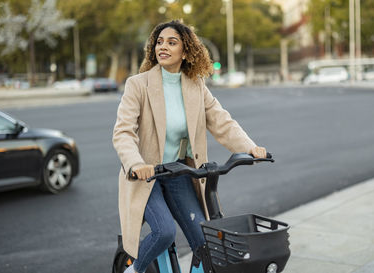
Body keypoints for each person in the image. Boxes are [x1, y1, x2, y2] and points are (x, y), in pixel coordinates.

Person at [112, 20, 267, 273]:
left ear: (185, 52)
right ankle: (134, 269)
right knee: (164, 232)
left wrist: (250, 148)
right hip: (145, 176)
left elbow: (221, 121)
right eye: (160, 42)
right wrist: (136, 163)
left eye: (172, 43)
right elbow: (123, 132)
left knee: (205, 242)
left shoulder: (195, 86)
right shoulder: (138, 84)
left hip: (178, 172)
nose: (163, 47)